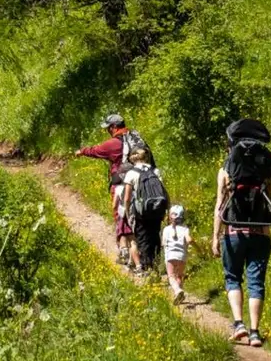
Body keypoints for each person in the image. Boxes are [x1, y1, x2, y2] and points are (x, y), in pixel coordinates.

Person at [213, 118, 271, 348]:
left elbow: (219, 206)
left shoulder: (226, 171)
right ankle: (255, 333)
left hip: (233, 231)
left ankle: (239, 324)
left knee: (233, 278)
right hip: (262, 232)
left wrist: (215, 237)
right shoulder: (263, 172)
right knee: (257, 282)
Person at [75, 113, 154, 266]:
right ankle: (143, 251)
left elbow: (96, 150)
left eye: (108, 128)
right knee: (138, 215)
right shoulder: (136, 137)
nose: (107, 131)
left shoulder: (114, 144)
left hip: (121, 184)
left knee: (121, 216)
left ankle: (126, 253)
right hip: (141, 183)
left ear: (114, 127)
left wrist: (81, 151)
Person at [120, 146, 169, 275]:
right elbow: (164, 192)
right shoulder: (155, 171)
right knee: (155, 237)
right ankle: (155, 265)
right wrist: (166, 208)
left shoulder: (131, 173)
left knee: (142, 239)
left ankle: (147, 267)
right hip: (157, 210)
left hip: (141, 212)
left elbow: (127, 198)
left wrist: (128, 213)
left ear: (133, 158)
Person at [161, 205, 193, 303]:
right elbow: (189, 240)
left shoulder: (166, 229)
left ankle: (177, 290)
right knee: (179, 276)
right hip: (182, 256)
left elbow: (163, 243)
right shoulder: (185, 229)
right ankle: (179, 297)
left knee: (171, 276)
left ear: (170, 217)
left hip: (170, 255)